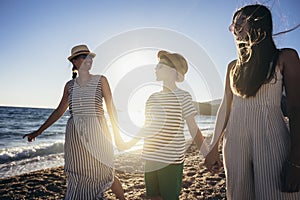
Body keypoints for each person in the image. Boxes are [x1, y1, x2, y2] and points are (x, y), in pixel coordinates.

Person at [204, 4, 300, 200]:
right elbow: (226, 107)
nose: (234, 28)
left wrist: (297, 159)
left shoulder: (286, 57)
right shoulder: (233, 66)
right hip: (234, 142)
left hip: (272, 137)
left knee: (277, 195)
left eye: (240, 21)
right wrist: (212, 147)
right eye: (232, 24)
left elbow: (296, 108)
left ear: (259, 23)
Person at [23, 44, 126, 200]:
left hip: (98, 132)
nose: (88, 59)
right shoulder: (69, 86)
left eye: (90, 56)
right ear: (75, 62)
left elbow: (111, 109)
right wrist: (39, 131)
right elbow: (59, 111)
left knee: (104, 171)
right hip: (75, 136)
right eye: (84, 56)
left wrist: (118, 135)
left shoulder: (101, 80)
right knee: (78, 173)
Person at [126, 50, 205, 200]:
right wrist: (128, 143)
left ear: (172, 71)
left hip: (170, 159)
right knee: (153, 197)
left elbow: (193, 127)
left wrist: (207, 153)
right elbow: (146, 127)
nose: (155, 68)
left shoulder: (183, 96)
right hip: (150, 156)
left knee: (169, 197)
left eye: (159, 66)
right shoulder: (152, 98)